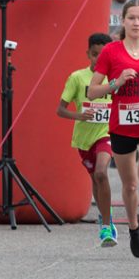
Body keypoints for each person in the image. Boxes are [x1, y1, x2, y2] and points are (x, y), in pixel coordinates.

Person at [89, 0, 139, 262]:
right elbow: (92, 91)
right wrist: (116, 82)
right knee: (130, 184)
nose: (136, 23)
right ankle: (135, 227)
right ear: (123, 21)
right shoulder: (111, 52)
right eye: (131, 18)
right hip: (122, 124)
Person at [58, 33, 115, 246]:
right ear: (87, 54)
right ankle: (103, 214)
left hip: (106, 134)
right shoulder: (77, 78)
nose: (98, 59)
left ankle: (107, 227)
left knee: (101, 172)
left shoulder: (115, 77)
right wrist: (79, 115)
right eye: (94, 55)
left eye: (103, 55)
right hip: (84, 139)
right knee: (96, 179)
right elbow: (60, 110)